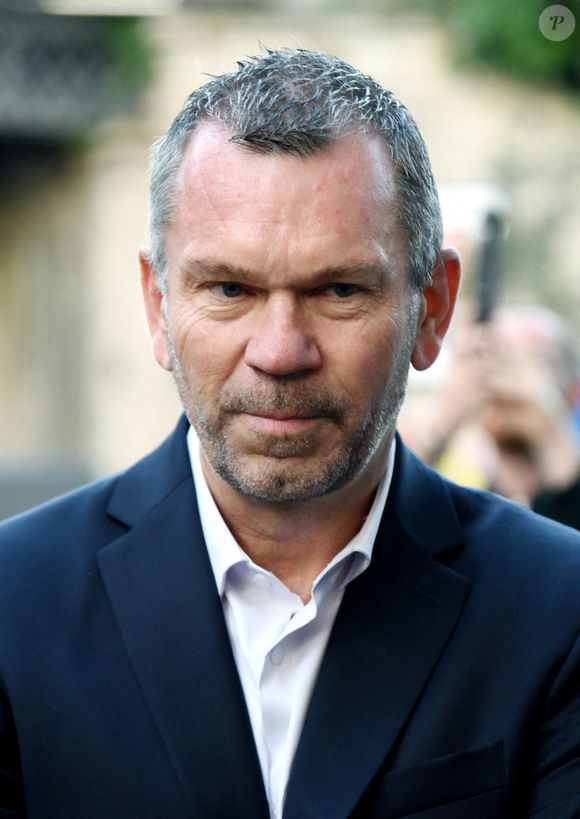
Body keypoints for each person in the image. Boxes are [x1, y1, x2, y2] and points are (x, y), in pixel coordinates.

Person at [0, 48, 579, 819]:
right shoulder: (14, 606)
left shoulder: (558, 608)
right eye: (230, 288)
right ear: (157, 305)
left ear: (432, 309)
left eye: (339, 289)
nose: (280, 351)